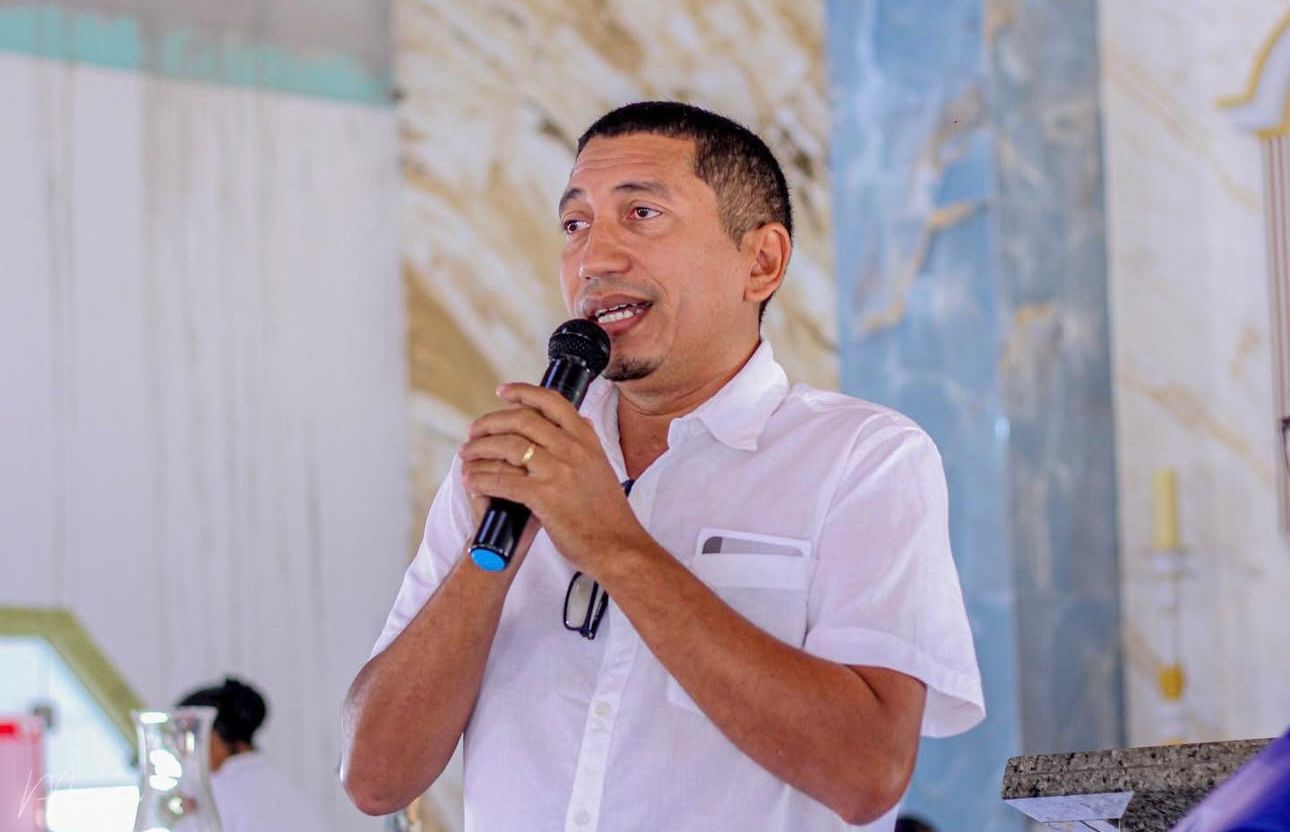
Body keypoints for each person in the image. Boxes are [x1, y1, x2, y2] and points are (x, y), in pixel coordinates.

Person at [341, 101, 985, 831]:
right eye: (575, 224)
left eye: (642, 214)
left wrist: (613, 544)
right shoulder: (517, 463)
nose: (594, 259)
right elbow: (374, 779)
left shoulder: (864, 458)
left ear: (761, 262)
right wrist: (487, 561)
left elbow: (868, 772)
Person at [177, 677, 333, 832]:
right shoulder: (281, 787)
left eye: (188, 734)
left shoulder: (218, 794)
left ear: (215, 735)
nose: (181, 747)